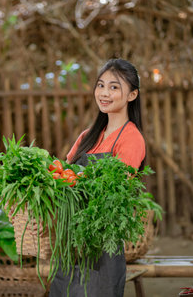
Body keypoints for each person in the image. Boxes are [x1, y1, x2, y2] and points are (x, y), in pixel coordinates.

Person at [49, 58, 145, 297]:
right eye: (101, 85)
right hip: (71, 242)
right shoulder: (87, 137)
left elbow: (116, 189)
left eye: (114, 87)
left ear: (131, 95)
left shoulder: (132, 138)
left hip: (104, 243)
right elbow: (62, 176)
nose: (104, 93)